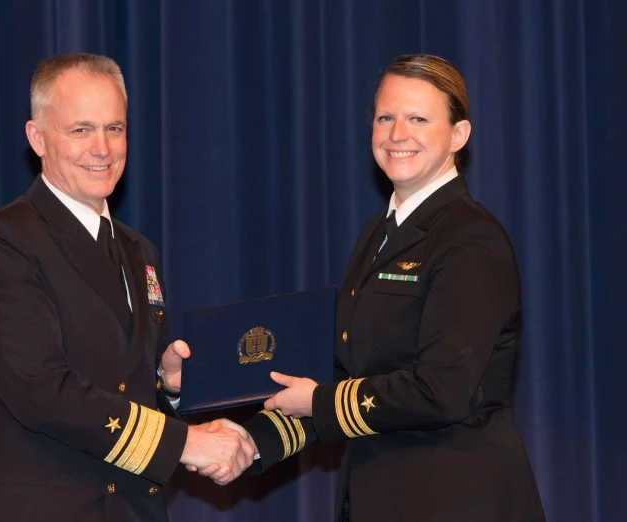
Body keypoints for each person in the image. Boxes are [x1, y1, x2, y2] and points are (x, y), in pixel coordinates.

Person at [202, 54, 546, 521]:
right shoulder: (378, 234)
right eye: (385, 117)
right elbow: (343, 372)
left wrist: (320, 403)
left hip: (455, 500)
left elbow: (441, 390)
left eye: (418, 119)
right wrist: (250, 439)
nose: (397, 134)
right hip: (379, 497)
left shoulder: (471, 239)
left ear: (458, 135)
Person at [0, 53, 254, 522]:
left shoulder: (139, 251)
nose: (103, 148)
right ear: (37, 138)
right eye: (81, 130)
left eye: (115, 128)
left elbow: (123, 388)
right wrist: (189, 443)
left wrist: (168, 386)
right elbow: (42, 392)